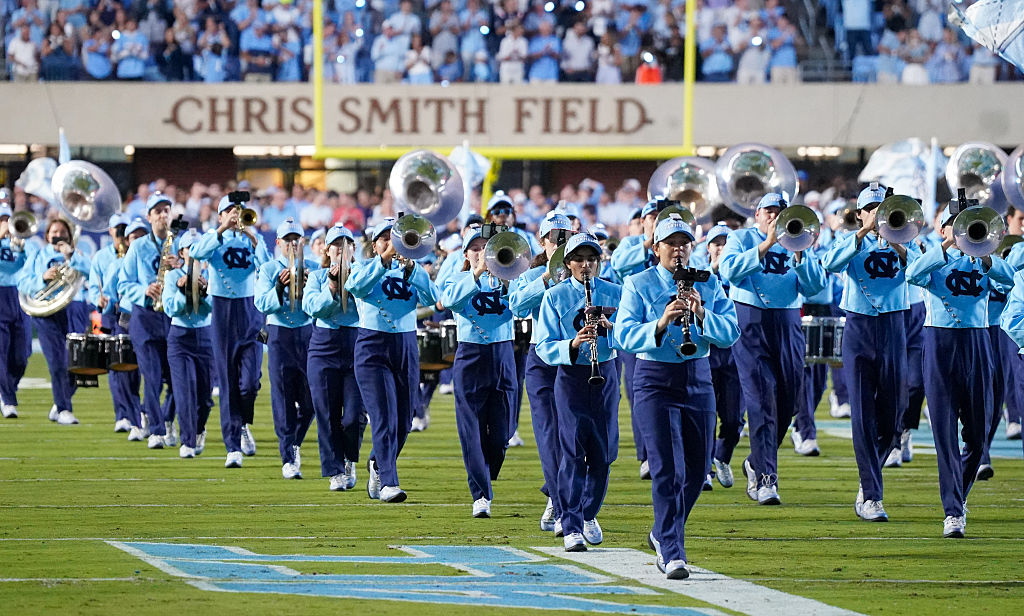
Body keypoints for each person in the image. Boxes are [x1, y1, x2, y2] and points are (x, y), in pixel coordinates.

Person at [616, 215, 739, 579]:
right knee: (668, 467)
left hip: (698, 375)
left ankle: (662, 529)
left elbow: (730, 332)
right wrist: (661, 322)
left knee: (699, 468)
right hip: (655, 377)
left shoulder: (708, 282)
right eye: (671, 243)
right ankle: (672, 550)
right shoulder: (637, 282)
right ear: (656, 249)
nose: (679, 249)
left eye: (685, 243)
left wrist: (701, 312)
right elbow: (623, 334)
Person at [906, 197, 1014, 537]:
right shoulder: (934, 257)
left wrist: (983, 254)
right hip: (940, 344)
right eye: (957, 223)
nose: (965, 229)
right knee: (944, 435)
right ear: (943, 228)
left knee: (979, 436)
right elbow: (912, 274)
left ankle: (959, 496)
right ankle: (952, 511)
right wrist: (947, 244)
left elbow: (1009, 280)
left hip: (979, 343)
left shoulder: (984, 260)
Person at [719, 193, 826, 505]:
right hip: (750, 320)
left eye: (780, 212)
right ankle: (766, 478)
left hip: (788, 321)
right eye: (769, 211)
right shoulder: (740, 237)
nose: (775, 217)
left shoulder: (799, 238)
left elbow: (815, 287)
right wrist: (766, 243)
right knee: (761, 398)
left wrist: (802, 255)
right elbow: (729, 271)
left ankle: (756, 460)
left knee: (789, 400)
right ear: (757, 214)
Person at [822, 186, 920, 521]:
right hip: (859, 328)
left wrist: (896, 241)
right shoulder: (851, 240)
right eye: (871, 210)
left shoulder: (908, 240)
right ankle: (872, 493)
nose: (878, 215)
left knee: (895, 416)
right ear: (860, 213)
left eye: (883, 210)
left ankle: (869, 480)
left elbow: (923, 274)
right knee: (862, 414)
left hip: (894, 326)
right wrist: (862, 233)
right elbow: (830, 262)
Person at [536, 233, 621, 552]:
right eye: (579, 259)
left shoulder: (616, 292)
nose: (586, 265)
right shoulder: (555, 296)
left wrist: (611, 330)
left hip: (605, 374)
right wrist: (572, 344)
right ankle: (570, 522)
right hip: (571, 377)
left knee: (603, 453)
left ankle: (588, 513)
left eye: (591, 260)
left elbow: (632, 338)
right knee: (571, 449)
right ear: (568, 263)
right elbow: (543, 347)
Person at [345, 217, 438, 503]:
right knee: (383, 416)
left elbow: (433, 297)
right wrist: (384, 261)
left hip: (406, 345)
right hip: (373, 346)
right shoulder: (365, 266)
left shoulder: (412, 269)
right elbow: (356, 287)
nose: (392, 243)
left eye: (396, 238)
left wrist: (412, 267)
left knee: (404, 420)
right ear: (374, 246)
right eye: (386, 238)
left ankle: (377, 462)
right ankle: (389, 481)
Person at [441, 227, 517, 518]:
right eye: (475, 248)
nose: (482, 253)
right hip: (471, 356)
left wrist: (507, 279)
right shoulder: (457, 278)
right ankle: (481, 494)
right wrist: (476, 273)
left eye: (487, 247)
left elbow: (521, 306)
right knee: (470, 431)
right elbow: (449, 301)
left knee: (501, 436)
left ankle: (486, 473)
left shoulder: (510, 276)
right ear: (466, 254)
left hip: (502, 354)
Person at [191, 194, 272, 468]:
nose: (236, 215)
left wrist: (251, 235)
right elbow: (196, 253)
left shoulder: (251, 238)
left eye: (238, 211)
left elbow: (268, 266)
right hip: (223, 311)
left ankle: (244, 423)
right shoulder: (213, 237)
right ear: (220, 215)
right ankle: (232, 445)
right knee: (226, 381)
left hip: (249, 309)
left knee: (250, 382)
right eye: (229, 211)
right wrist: (222, 229)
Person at [509, 213, 575, 533]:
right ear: (542, 241)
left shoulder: (582, 269)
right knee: (549, 435)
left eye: (565, 236)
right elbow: (517, 305)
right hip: (541, 357)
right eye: (554, 238)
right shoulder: (531, 273)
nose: (559, 243)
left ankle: (557, 493)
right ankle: (562, 506)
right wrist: (547, 277)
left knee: (575, 435)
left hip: (573, 357)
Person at [303, 223, 367, 491]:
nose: (341, 250)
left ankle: (350, 458)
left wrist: (352, 280)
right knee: (326, 412)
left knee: (354, 415)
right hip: (324, 345)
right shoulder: (317, 277)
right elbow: (312, 308)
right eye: (336, 246)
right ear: (327, 251)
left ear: (354, 249)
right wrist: (331, 286)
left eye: (346, 245)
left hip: (355, 342)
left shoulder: (363, 273)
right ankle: (334, 470)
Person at [254, 218, 318, 479]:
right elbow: (261, 303)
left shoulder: (313, 268)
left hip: (307, 333)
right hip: (280, 334)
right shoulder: (269, 269)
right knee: (282, 399)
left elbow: (319, 304)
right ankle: (288, 457)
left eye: (296, 239)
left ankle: (294, 442)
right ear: (278, 243)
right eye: (287, 240)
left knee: (313, 400)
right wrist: (280, 288)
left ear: (302, 242)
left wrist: (309, 284)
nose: (292, 244)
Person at [118, 195, 179, 450]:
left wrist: (182, 266)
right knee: (152, 378)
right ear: (149, 216)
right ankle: (155, 429)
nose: (163, 215)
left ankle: (166, 419)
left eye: (166, 210)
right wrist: (144, 290)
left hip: (175, 316)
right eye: (158, 211)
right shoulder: (138, 246)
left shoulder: (179, 244)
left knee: (178, 379)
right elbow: (123, 284)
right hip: (145, 317)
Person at [18, 218, 92, 425]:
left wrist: (70, 255)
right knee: (57, 361)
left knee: (80, 364)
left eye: (62, 231)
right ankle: (64, 409)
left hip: (74, 308)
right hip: (47, 312)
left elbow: (91, 271)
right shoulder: (38, 255)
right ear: (47, 235)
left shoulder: (76, 255)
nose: (58, 235)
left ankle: (61, 401)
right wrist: (42, 277)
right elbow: (23, 283)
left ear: (69, 235)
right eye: (54, 231)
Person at [160, 229, 214, 459]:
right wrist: (184, 292)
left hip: (205, 336)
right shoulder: (173, 276)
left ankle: (199, 429)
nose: (194, 254)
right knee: (184, 392)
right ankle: (187, 441)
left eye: (198, 249)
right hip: (180, 336)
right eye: (189, 249)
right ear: (181, 252)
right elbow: (170, 308)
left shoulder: (212, 276)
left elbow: (213, 308)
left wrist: (202, 292)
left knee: (205, 397)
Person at [88, 213, 142, 432]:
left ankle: (133, 411)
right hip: (104, 314)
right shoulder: (101, 257)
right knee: (113, 363)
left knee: (132, 365)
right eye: (117, 229)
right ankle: (122, 414)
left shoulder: (136, 253)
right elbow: (93, 287)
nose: (120, 233)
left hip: (129, 313)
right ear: (110, 231)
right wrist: (97, 299)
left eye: (123, 229)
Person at [705, 223, 743, 488]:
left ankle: (722, 456)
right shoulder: (698, 275)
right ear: (707, 248)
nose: (721, 248)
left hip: (735, 353)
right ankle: (704, 467)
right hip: (706, 352)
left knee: (733, 418)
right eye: (716, 244)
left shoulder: (738, 275)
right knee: (704, 412)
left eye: (726, 244)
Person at [0, 204, 32, 418]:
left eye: (8, 219)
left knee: (22, 354)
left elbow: (31, 264)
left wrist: (19, 245)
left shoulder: (21, 243)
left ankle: (7, 388)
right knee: (0, 352)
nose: (6, 224)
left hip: (19, 294)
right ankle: (7, 398)